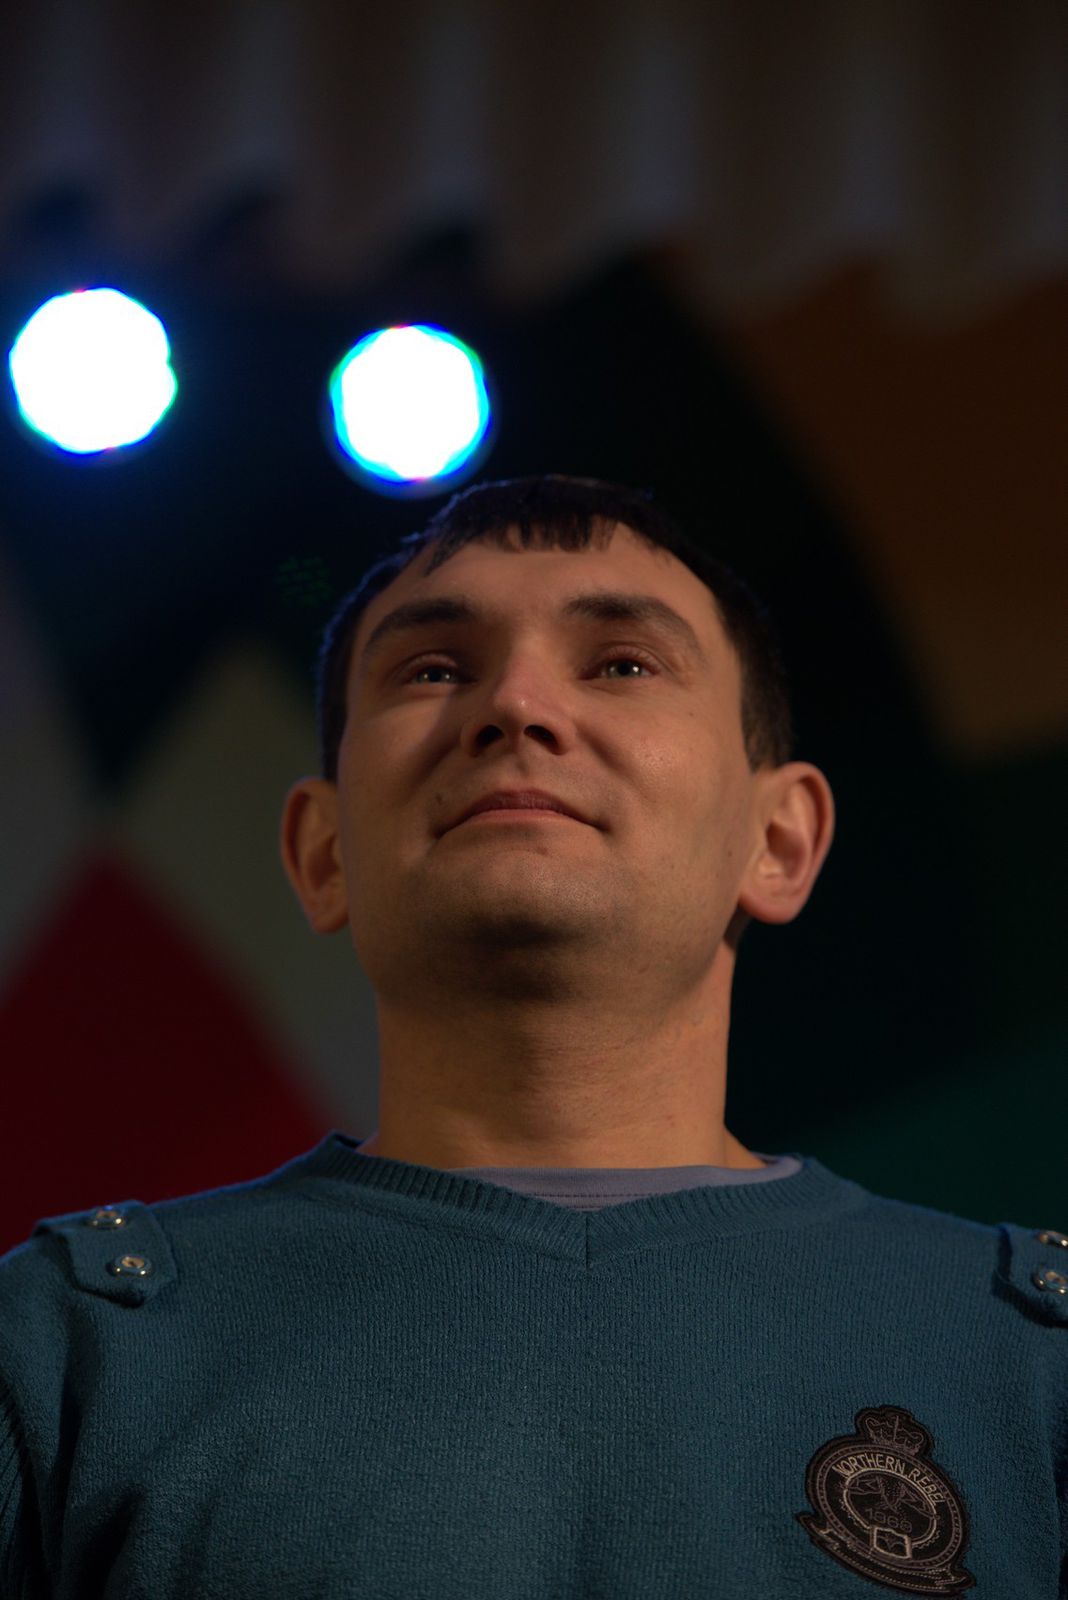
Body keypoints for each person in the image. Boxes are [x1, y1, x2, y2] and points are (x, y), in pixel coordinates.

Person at [1, 475, 1065, 1599]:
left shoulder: (1030, 1361)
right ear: (322, 853)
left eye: (622, 665)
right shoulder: (72, 1348)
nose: (514, 704)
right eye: (433, 670)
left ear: (780, 840)